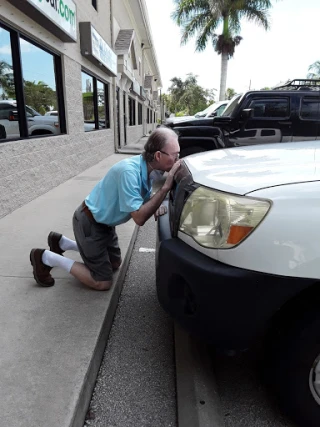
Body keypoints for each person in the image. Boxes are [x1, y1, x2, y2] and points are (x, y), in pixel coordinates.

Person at [30, 127, 181, 291]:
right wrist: (165, 188)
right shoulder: (129, 172)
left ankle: (61, 243)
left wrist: (153, 203)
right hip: (89, 223)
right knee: (102, 282)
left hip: (104, 224)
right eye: (175, 155)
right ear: (158, 155)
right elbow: (139, 218)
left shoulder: (149, 169)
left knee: (115, 264)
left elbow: (141, 198)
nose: (178, 159)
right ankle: (46, 257)